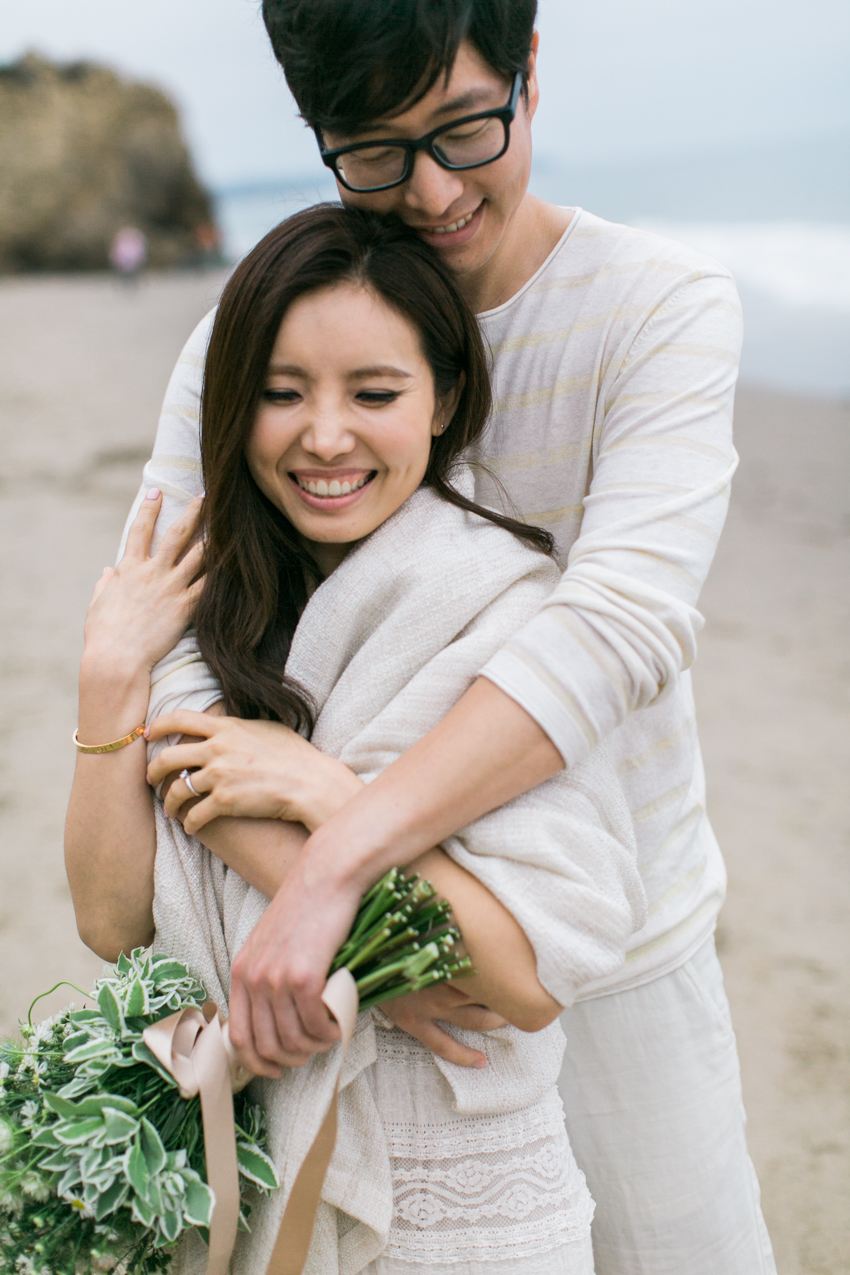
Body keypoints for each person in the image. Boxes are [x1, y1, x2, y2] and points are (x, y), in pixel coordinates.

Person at [109, 2, 776, 1271]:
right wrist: (367, 939)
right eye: (371, 148)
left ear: (530, 69)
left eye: (466, 128)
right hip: (319, 974)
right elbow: (173, 657)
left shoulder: (656, 308)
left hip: (607, 933)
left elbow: (615, 628)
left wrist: (337, 851)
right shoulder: (245, 347)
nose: (428, 191)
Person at [66, 204, 650, 1272]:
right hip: (240, 1187)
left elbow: (519, 978)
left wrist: (326, 795)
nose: (323, 436)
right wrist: (108, 678)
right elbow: (110, 920)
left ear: (446, 400)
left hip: (465, 1205)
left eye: (374, 394)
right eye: (280, 394)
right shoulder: (200, 623)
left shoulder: (512, 624)